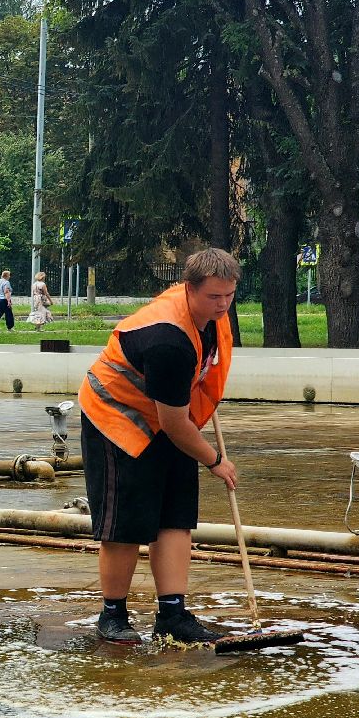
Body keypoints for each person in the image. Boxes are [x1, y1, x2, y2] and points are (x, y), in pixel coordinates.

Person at [77, 247, 240, 645]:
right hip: (118, 417)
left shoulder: (209, 318)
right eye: (213, 297)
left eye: (229, 296)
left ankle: (172, 614)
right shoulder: (168, 340)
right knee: (126, 523)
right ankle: (112, 615)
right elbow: (172, 423)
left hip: (173, 415)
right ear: (189, 288)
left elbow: (180, 412)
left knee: (175, 514)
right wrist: (215, 459)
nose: (222, 305)